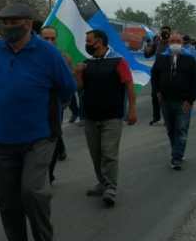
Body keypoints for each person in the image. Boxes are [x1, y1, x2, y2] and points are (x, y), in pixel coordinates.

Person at [0, 4, 76, 241]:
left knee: (33, 193)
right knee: (8, 202)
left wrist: (51, 111)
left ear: (29, 24)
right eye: (4, 22)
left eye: (13, 21)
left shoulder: (48, 54)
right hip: (2, 140)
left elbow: (67, 87)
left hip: (38, 138)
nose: (8, 26)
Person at [76, 29, 138, 207]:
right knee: (96, 154)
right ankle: (102, 183)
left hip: (112, 117)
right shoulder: (86, 63)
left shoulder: (118, 61)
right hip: (90, 116)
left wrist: (132, 109)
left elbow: (129, 86)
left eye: (89, 41)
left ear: (100, 42)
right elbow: (79, 88)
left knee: (109, 154)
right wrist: (78, 73)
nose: (87, 44)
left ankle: (111, 188)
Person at [151, 33, 196, 170]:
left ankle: (176, 158)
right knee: (171, 129)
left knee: (181, 130)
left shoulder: (190, 60)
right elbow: (154, 76)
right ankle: (177, 150)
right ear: (168, 43)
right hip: (166, 102)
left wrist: (190, 100)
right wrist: (157, 92)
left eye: (178, 41)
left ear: (182, 43)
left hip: (183, 102)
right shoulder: (161, 59)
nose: (175, 43)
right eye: (172, 41)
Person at [39, 25, 73, 183]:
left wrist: (63, 103)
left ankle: (49, 174)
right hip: (34, 108)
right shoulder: (28, 56)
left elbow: (69, 84)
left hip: (55, 106)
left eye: (52, 38)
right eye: (46, 38)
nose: (49, 41)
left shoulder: (63, 58)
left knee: (52, 137)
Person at [143, 25, 171, 125]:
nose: (165, 34)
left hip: (169, 72)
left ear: (170, 34)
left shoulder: (172, 43)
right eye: (163, 32)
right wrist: (148, 45)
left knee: (167, 97)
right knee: (155, 95)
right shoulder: (156, 43)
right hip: (157, 72)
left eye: (167, 32)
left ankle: (168, 118)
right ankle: (156, 118)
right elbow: (147, 55)